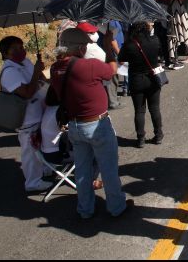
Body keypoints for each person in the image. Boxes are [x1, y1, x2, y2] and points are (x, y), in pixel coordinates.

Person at [50, 28, 132, 219]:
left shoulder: (55, 68)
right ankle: (116, 207)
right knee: (108, 168)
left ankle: (85, 208)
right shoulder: (88, 66)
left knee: (83, 170)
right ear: (79, 48)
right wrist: (108, 45)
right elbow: (113, 69)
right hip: (96, 125)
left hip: (74, 125)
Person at [0, 36, 52, 193]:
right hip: (26, 118)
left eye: (21, 47)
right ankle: (32, 182)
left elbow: (40, 81)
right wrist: (36, 72)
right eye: (15, 49)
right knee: (30, 150)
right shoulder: (9, 72)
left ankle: (44, 170)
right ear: (5, 53)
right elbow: (26, 92)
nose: (21, 51)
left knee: (41, 143)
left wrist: (40, 73)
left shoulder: (26, 62)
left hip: (39, 111)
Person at [117, 22, 164, 148]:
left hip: (136, 79)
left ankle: (140, 138)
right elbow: (161, 54)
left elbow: (121, 58)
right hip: (153, 78)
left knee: (139, 110)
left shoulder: (129, 44)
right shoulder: (155, 40)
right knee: (154, 108)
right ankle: (158, 134)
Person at [145, 0, 183, 71]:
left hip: (164, 24)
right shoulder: (149, 1)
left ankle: (173, 61)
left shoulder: (162, 0)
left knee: (169, 43)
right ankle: (167, 61)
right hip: (157, 24)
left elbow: (166, 11)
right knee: (161, 44)